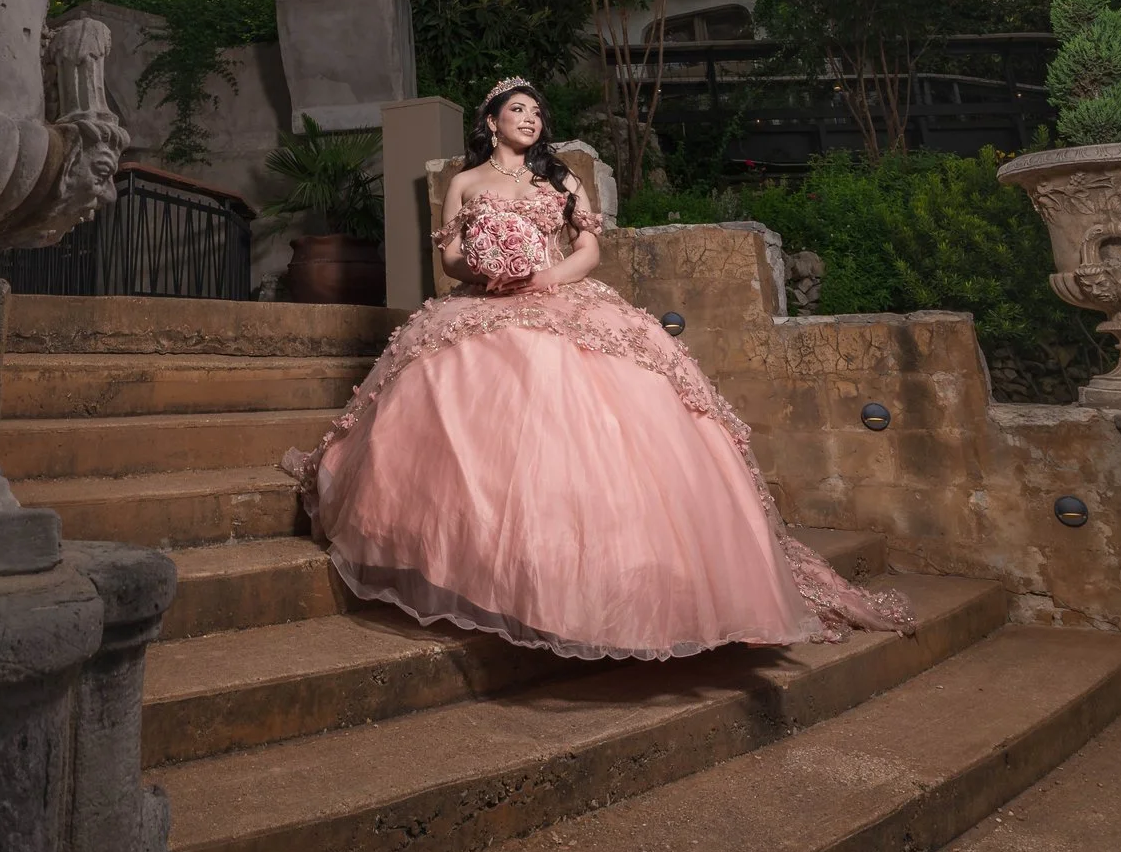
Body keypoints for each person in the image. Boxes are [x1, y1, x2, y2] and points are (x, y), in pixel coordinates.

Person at [282, 77, 911, 660]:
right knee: (458, 400)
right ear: (492, 121)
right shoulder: (465, 183)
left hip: (560, 298)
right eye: (518, 110)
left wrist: (543, 275)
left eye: (537, 112)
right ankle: (504, 577)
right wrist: (489, 271)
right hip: (483, 306)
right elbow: (449, 258)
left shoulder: (559, 181)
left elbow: (589, 248)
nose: (530, 119)